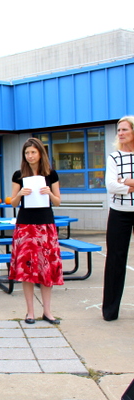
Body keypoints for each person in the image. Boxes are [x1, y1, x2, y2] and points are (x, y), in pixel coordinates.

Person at [9, 137, 63, 325]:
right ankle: (30, 311)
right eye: (27, 153)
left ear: (40, 153)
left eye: (33, 152)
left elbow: (58, 201)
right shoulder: (18, 175)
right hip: (25, 226)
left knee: (46, 268)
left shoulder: (51, 174)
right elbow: (12, 203)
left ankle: (47, 311)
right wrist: (19, 194)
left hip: (45, 225)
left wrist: (49, 193)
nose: (30, 156)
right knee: (27, 269)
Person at [103, 116, 134, 321]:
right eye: (118, 130)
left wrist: (123, 180)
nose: (120, 133)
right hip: (119, 213)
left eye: (124, 129)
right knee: (115, 260)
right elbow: (110, 186)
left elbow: (117, 183)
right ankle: (110, 311)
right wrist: (126, 183)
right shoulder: (114, 157)